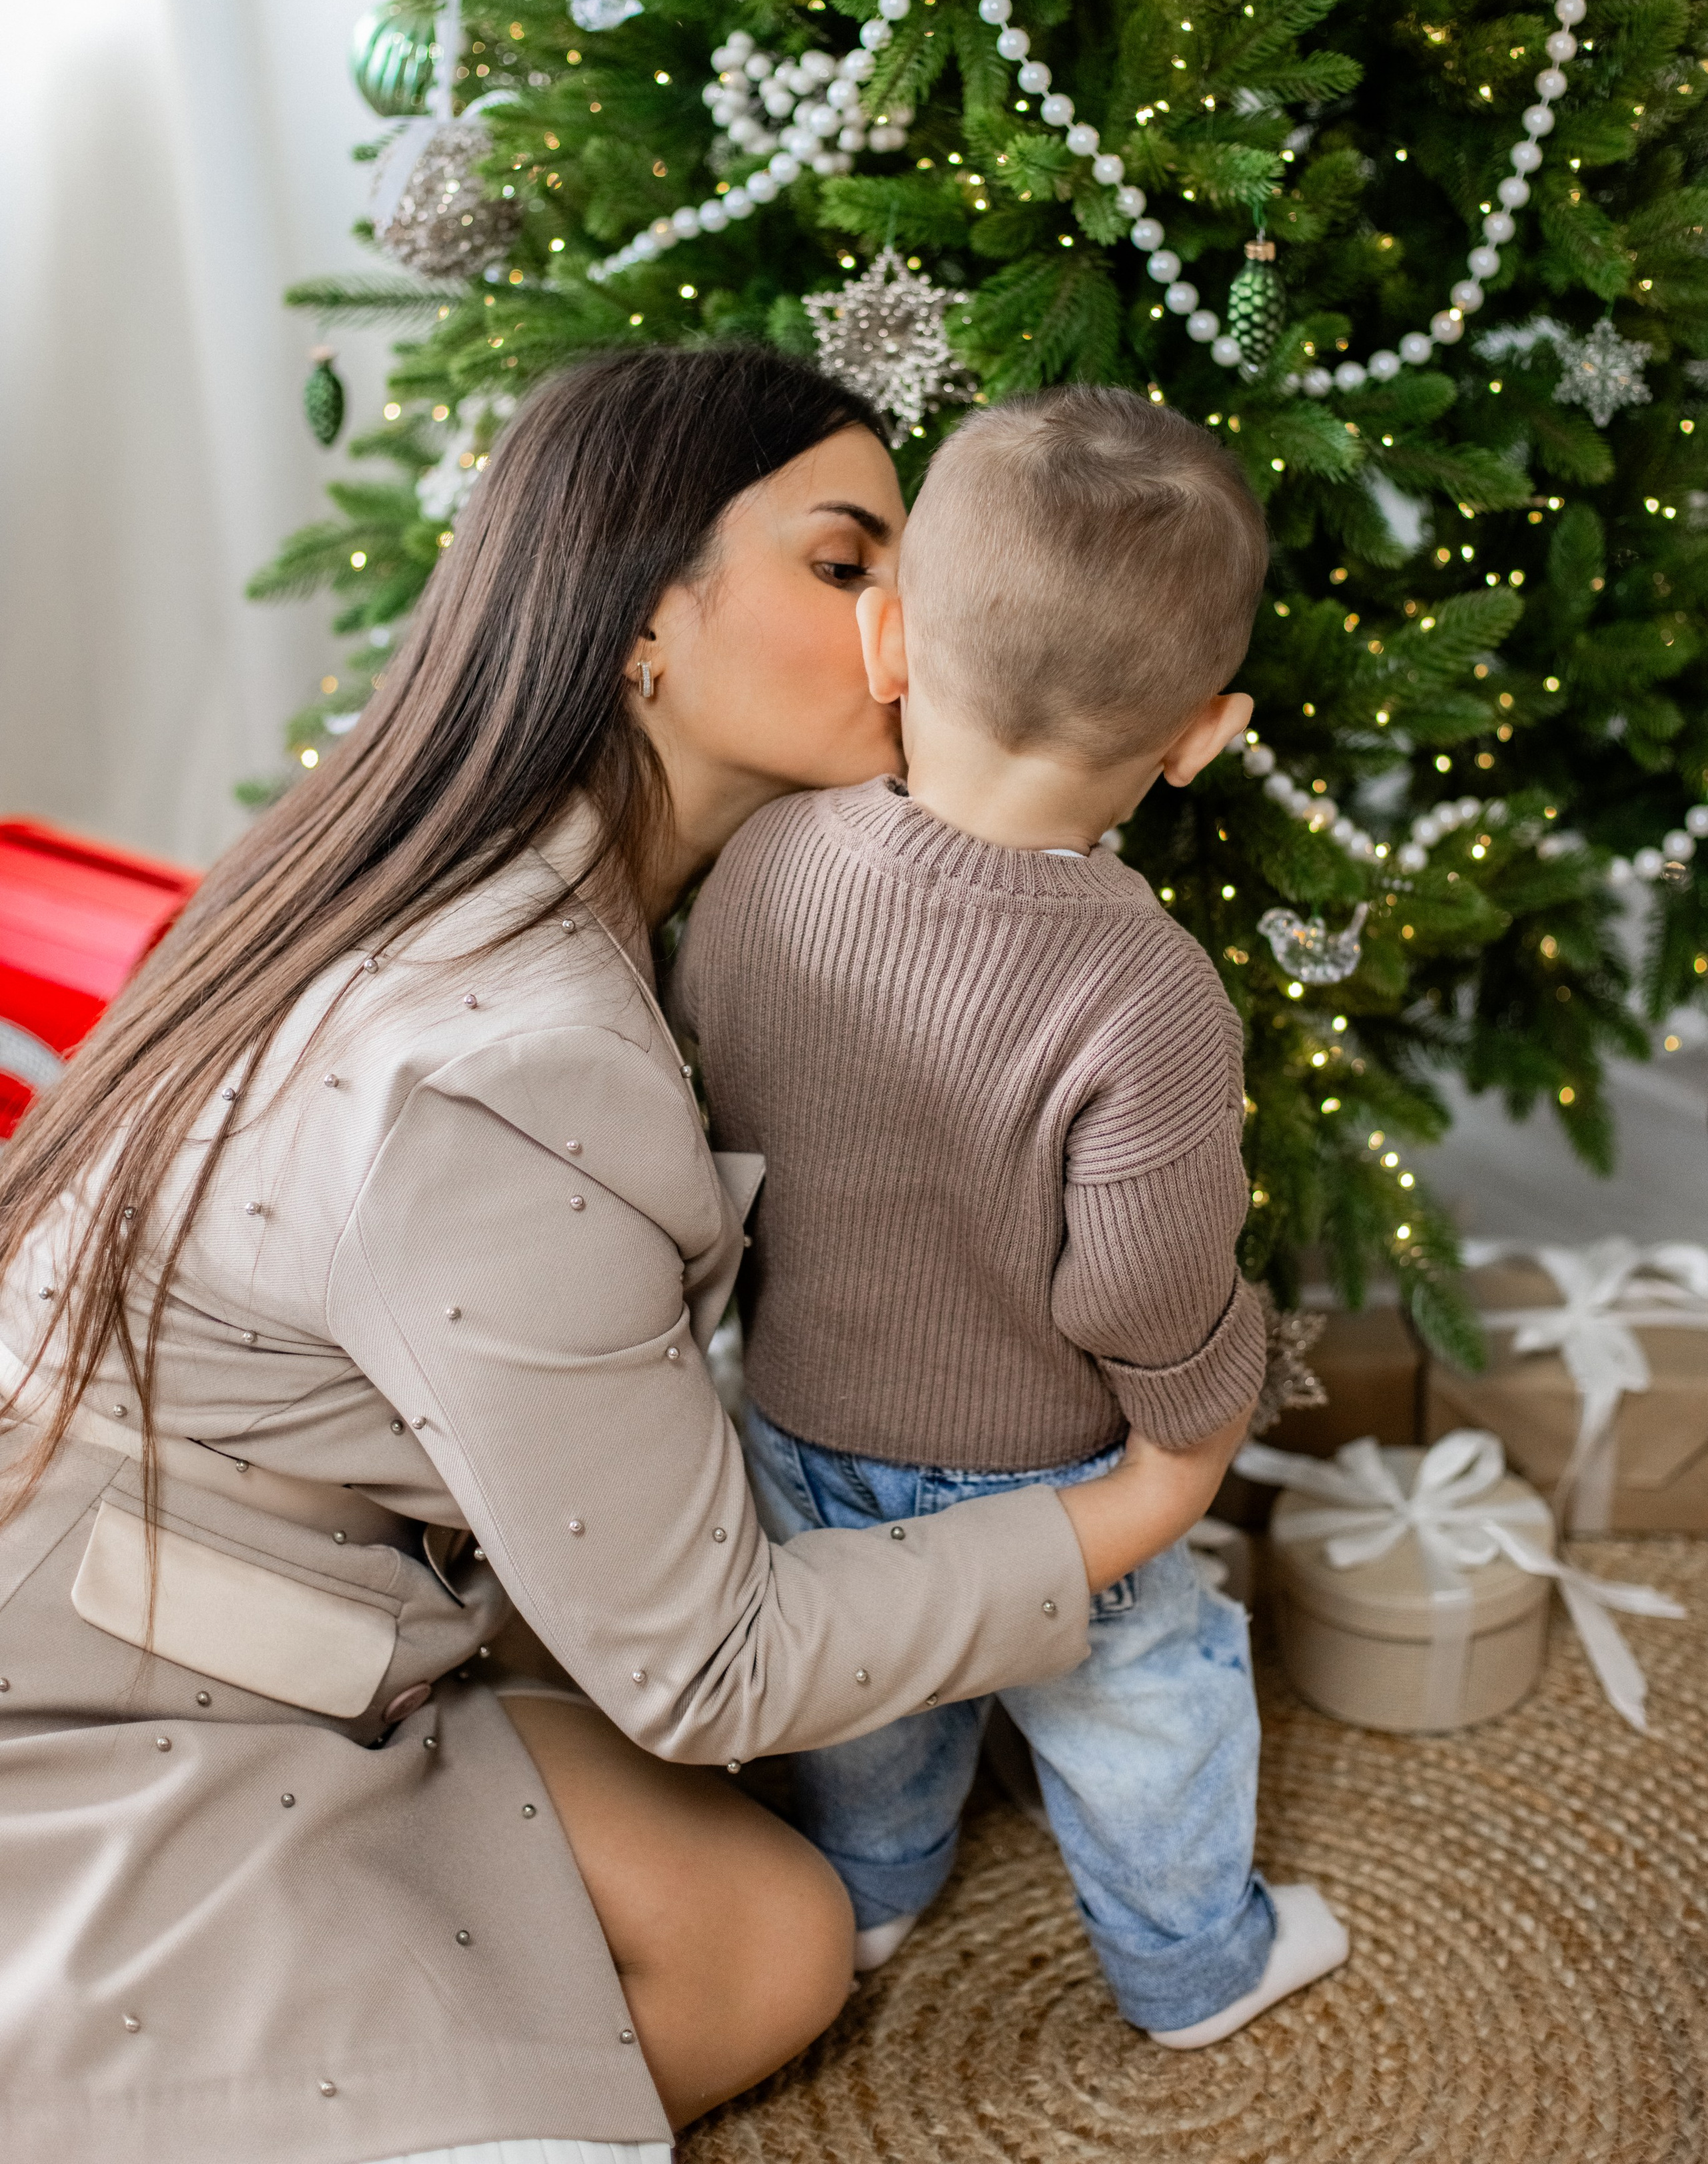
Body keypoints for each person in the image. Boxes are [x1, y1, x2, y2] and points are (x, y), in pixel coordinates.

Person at [0, 346, 1224, 2164]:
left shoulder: (481, 862)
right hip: (119, 1667)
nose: (920, 619)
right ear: (646, 619)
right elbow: (712, 1661)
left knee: (774, 1922)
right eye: (846, 560)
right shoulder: (520, 1055)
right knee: (750, 1937)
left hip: (274, 1580)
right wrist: (1145, 1496)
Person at [673, 384, 1351, 2051]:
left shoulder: (761, 865)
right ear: (1201, 733)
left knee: (864, 1673)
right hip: (1046, 1474)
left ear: (890, 640)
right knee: (1145, 1698)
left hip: (805, 1408)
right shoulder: (1147, 987)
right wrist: (1204, 1409)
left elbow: (725, 1101)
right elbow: (1139, 1282)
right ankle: (1194, 1965)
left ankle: (876, 1879)